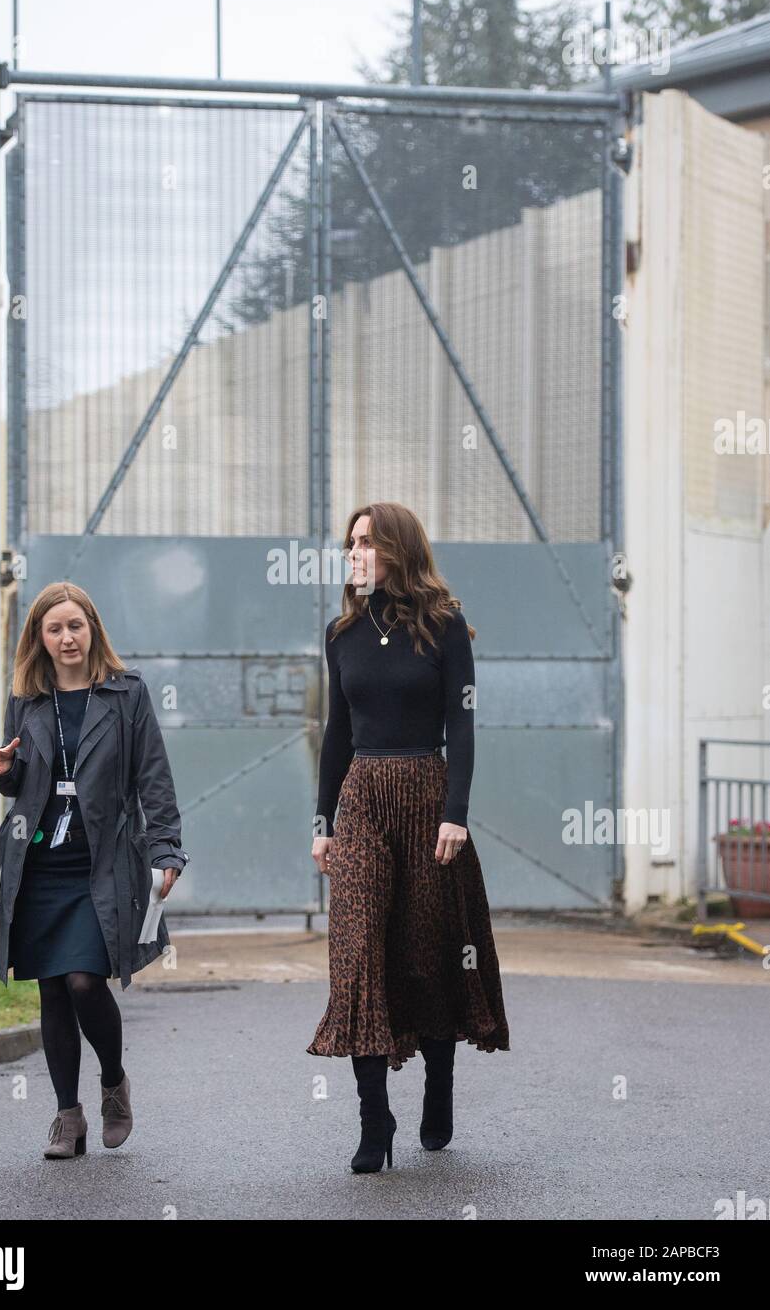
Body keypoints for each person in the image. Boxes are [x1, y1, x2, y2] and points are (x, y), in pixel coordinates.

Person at [308, 502, 509, 1172]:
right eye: (350, 543)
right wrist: (321, 822)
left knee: (426, 951)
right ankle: (373, 1119)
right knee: (357, 950)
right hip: (362, 798)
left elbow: (464, 726)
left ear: (397, 549)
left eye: (367, 542)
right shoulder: (342, 633)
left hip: (426, 794)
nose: (355, 553)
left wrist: (456, 811)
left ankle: (438, 1085)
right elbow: (336, 732)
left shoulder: (445, 627)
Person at [0, 582, 188, 1159]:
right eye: (54, 629)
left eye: (75, 625)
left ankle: (114, 1082)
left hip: (102, 862)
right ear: (39, 639)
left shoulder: (127, 694)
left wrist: (167, 848)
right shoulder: (26, 699)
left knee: (84, 981)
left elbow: (154, 777)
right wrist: (4, 771)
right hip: (42, 861)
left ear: (92, 627)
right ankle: (67, 1119)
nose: (66, 637)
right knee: (52, 988)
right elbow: (21, 781)